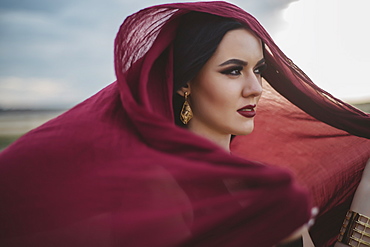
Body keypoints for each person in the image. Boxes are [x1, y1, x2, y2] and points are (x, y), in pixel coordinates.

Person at [0, 1, 369, 246]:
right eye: (233, 70)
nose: (255, 88)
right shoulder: (153, 191)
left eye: (259, 70)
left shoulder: (264, 181)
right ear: (184, 81)